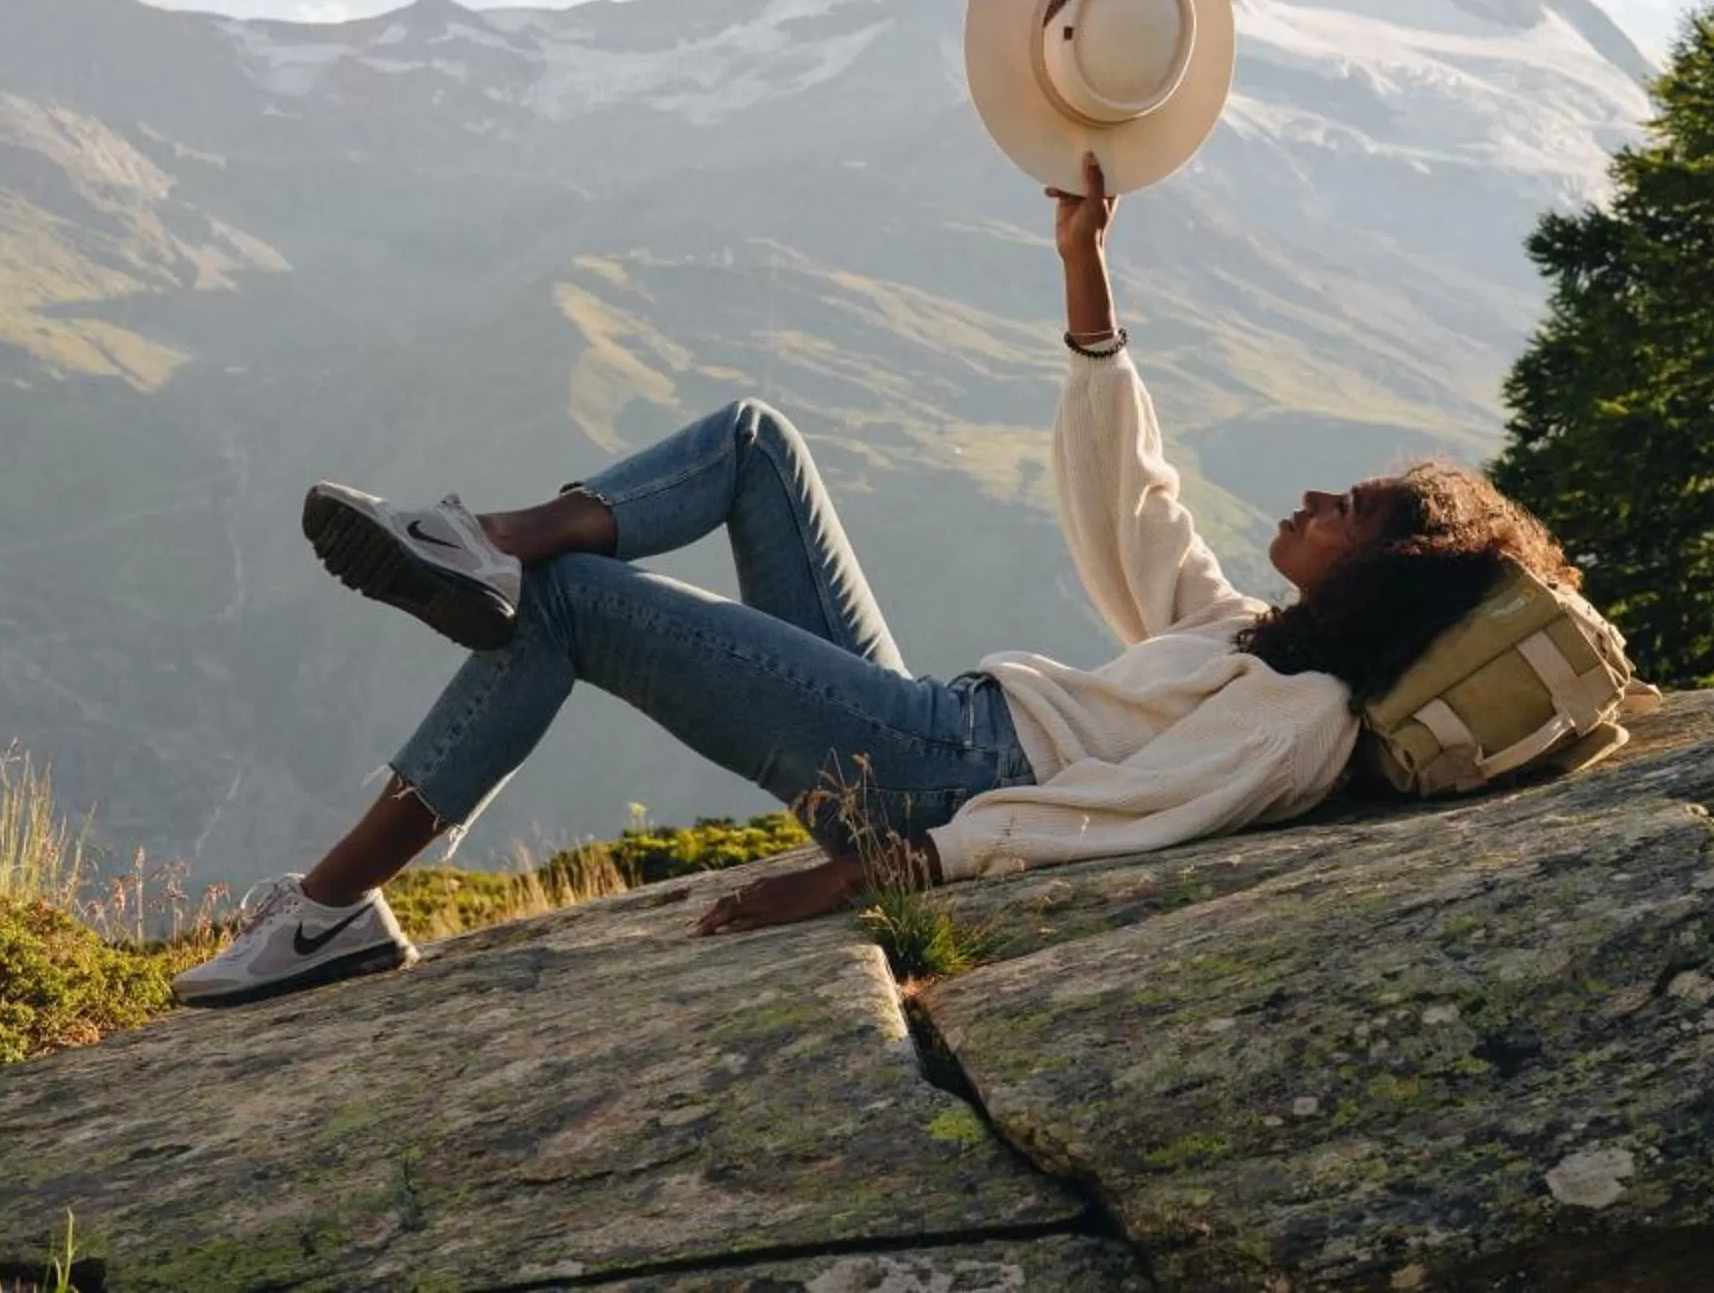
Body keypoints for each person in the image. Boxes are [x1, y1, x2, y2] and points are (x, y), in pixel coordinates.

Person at [169, 150, 1583, 1009]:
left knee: (571, 612)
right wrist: (1087, 274)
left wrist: (868, 875)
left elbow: (1125, 821)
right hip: (927, 726)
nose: (1326, 497)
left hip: (932, 774)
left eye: (1363, 509)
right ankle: (485, 549)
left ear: (1391, 578)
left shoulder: (1299, 721)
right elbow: (1135, 505)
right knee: (752, 443)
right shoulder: (1257, 647)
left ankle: (331, 907)